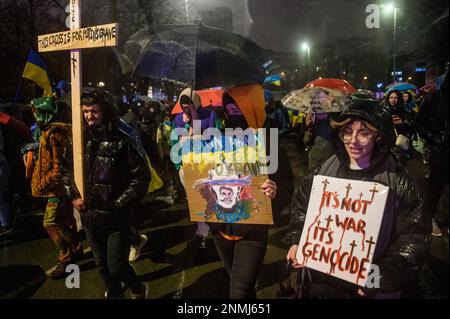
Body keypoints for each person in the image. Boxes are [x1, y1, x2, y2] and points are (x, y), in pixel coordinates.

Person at [286, 99, 431, 299]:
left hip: (368, 290)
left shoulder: (398, 180)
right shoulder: (323, 171)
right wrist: (298, 241)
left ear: (379, 137)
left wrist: (378, 277)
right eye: (347, 132)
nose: (353, 140)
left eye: (364, 133)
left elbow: (413, 238)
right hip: (323, 284)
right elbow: (302, 208)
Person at [206, 84, 293, 298]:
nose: (235, 115)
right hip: (221, 230)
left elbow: (287, 186)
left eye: (240, 110)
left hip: (252, 232)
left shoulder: (270, 143)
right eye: (230, 110)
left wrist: (274, 192)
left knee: (239, 292)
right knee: (243, 289)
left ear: (253, 109)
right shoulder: (216, 140)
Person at [67, 88, 150, 298]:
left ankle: (139, 288)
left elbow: (141, 178)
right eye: (85, 111)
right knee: (102, 268)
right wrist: (73, 195)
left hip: (115, 218)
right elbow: (67, 172)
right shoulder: (78, 139)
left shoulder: (123, 139)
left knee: (116, 266)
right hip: (89, 217)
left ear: (104, 111)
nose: (89, 116)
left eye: (94, 111)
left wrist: (119, 204)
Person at [29, 97, 83, 279]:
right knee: (65, 221)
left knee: (50, 223)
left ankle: (67, 257)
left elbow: (59, 167)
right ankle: (76, 248)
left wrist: (42, 183)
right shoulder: (49, 131)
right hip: (58, 188)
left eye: (36, 112)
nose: (34, 115)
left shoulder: (55, 133)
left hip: (58, 189)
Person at [416, 73, 449, 236]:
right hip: (440, 151)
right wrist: (434, 137)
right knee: (435, 186)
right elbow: (420, 124)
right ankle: (430, 218)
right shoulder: (433, 99)